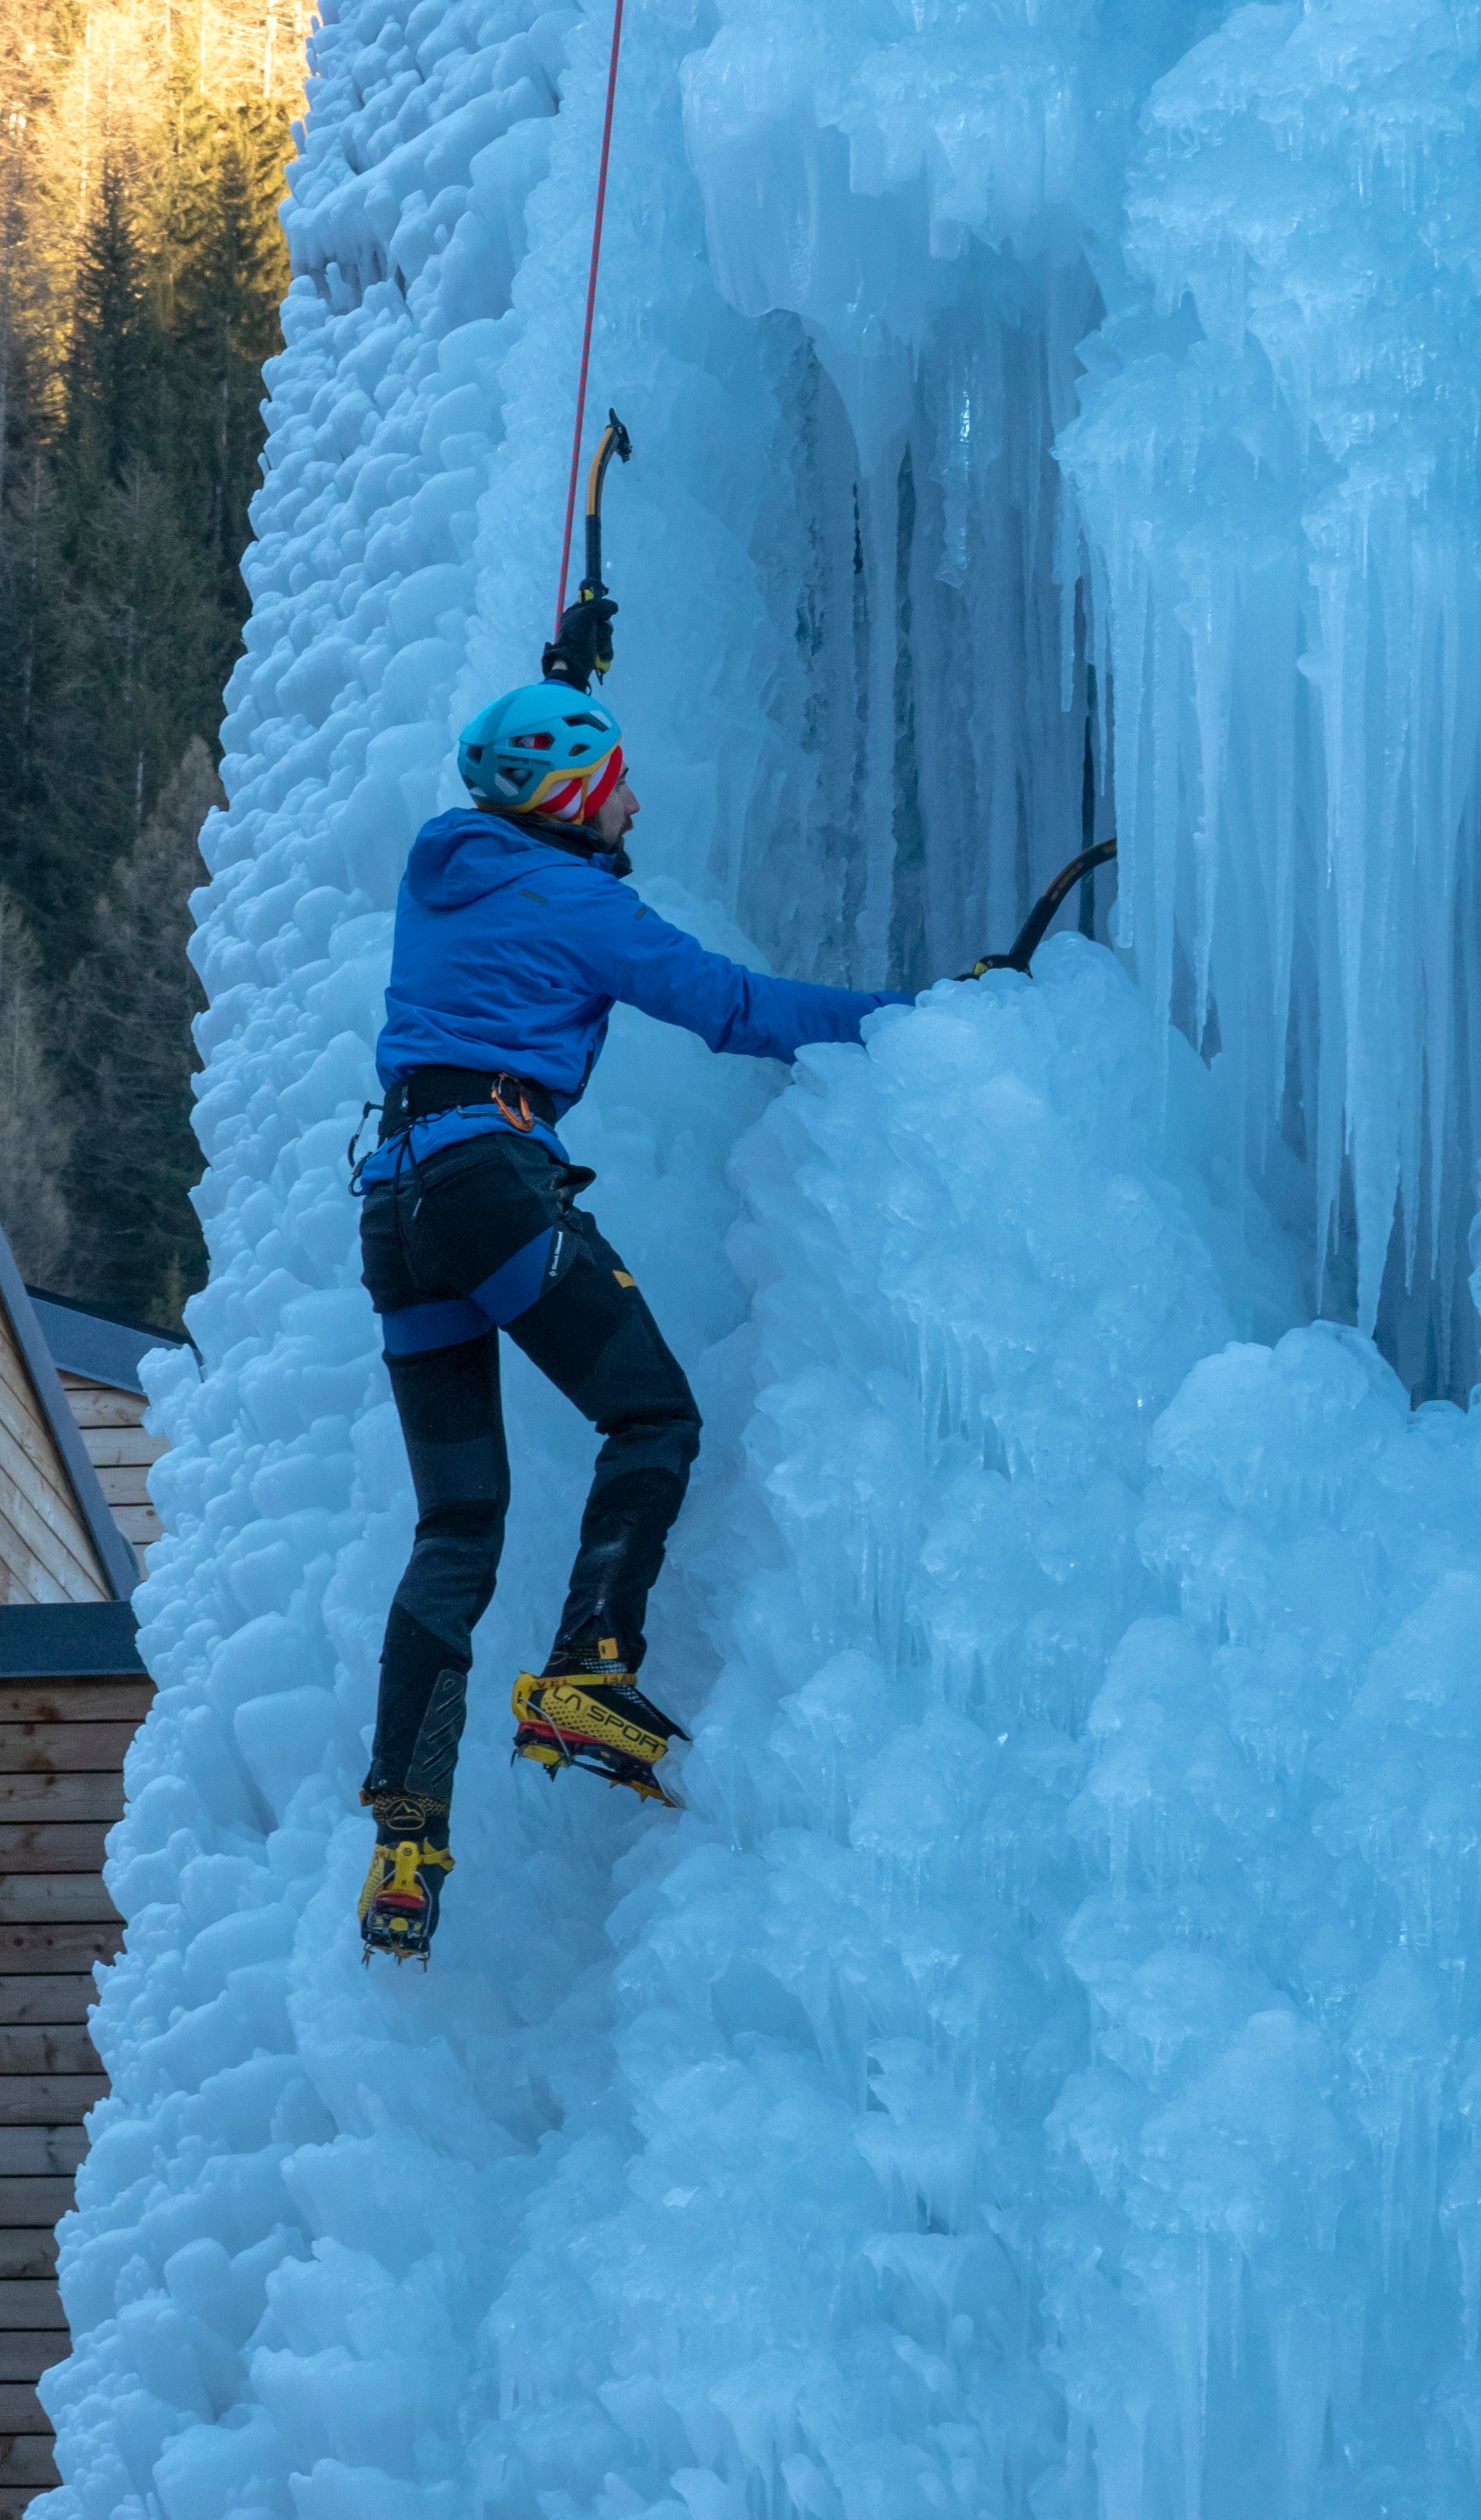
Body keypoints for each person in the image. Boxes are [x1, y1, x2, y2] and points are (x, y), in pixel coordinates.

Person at [353, 675, 909, 1962]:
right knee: (651, 1413)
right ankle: (586, 1673)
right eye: (617, 783)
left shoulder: (448, 872)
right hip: (491, 1182)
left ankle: (406, 1840)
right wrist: (928, 1013)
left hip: (395, 1205)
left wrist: (568, 670)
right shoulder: (576, 902)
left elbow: (531, 821)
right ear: (572, 800)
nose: (637, 802)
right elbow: (739, 1011)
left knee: (454, 1531)